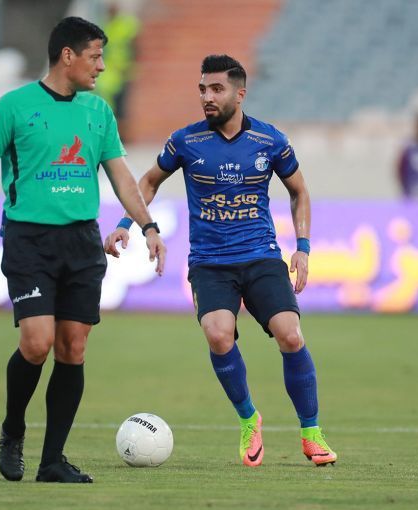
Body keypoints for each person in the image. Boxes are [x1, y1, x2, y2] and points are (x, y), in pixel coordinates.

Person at [0, 16, 166, 484]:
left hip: (82, 242)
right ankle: (13, 430)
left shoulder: (98, 112)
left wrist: (149, 226)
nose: (101, 66)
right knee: (37, 343)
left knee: (73, 348)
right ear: (67, 55)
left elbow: (121, 176)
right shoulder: (14, 107)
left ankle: (52, 461)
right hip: (29, 240)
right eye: (95, 56)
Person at [104, 54, 337, 467]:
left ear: (239, 93)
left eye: (216, 89)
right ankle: (249, 419)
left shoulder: (270, 141)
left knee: (290, 335)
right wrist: (127, 222)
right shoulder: (186, 141)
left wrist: (302, 246)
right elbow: (149, 182)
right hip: (210, 262)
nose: (207, 97)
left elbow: (299, 191)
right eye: (202, 89)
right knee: (218, 335)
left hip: (261, 255)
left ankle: (311, 433)